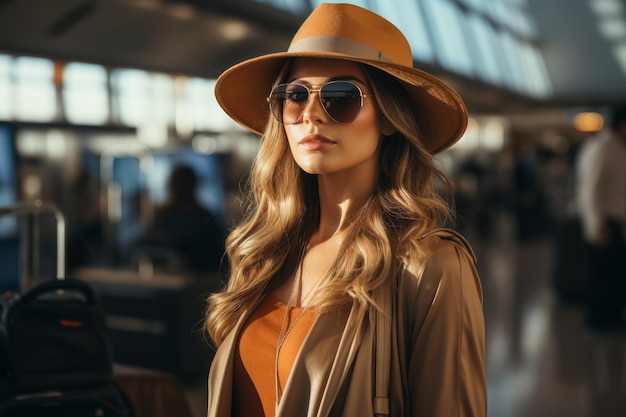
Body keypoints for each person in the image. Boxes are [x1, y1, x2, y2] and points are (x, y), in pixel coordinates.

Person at [204, 3, 487, 416]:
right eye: (294, 95)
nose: (311, 114)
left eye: (340, 96)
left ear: (388, 118)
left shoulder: (429, 268)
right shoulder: (266, 255)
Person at [575, 104, 626, 332]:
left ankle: (612, 317)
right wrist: (596, 225)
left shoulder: (617, 147)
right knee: (602, 276)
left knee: (614, 275)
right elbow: (589, 191)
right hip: (606, 222)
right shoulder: (602, 148)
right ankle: (597, 321)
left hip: (616, 221)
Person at [135, 164, 225, 274]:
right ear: (195, 185)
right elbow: (218, 258)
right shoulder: (205, 217)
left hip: (164, 281)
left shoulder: (162, 215)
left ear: (170, 186)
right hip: (200, 283)